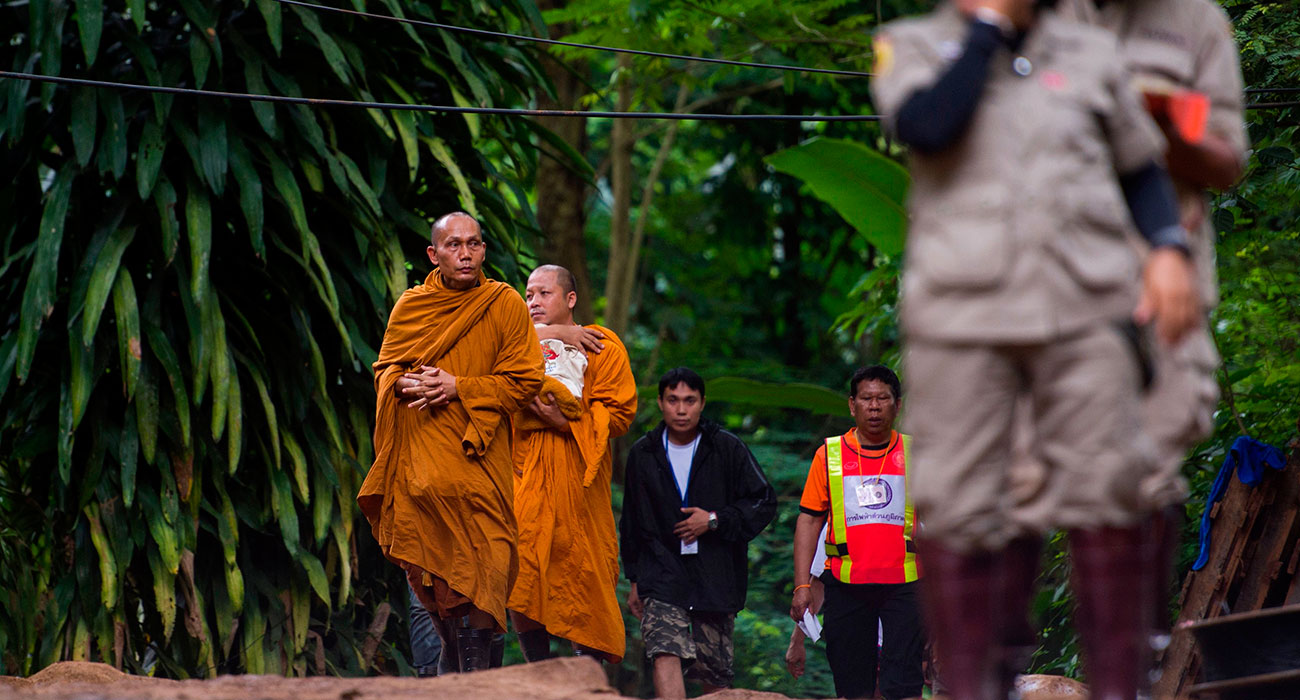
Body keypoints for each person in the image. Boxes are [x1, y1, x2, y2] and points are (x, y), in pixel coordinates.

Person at [870, 0, 1201, 698]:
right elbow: (927, 126)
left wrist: (1168, 250)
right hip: (963, 320)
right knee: (963, 504)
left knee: (1114, 488)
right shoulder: (910, 46)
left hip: (1084, 309)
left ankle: (1119, 683)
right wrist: (987, 31)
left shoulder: (1090, 54)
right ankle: (976, 684)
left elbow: (1141, 170)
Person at [1059, 0, 1249, 665]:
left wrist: (1164, 132)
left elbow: (1228, 161)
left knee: (1155, 455)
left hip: (1166, 279)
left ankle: (1137, 642)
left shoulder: (1196, 22)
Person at [358, 212, 543, 673]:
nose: (466, 254)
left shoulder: (503, 304)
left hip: (481, 474)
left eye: (475, 244)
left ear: (484, 250)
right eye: (454, 245)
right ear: (433, 253)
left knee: (492, 564)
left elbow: (526, 381)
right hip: (423, 479)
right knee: (440, 594)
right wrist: (408, 386)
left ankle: (474, 676)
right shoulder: (412, 305)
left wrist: (459, 386)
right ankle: (459, 673)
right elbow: (386, 371)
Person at [507, 264, 638, 663]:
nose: (533, 302)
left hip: (582, 480)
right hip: (526, 473)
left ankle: (586, 672)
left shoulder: (602, 346)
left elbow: (619, 414)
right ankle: (540, 670)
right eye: (528, 295)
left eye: (543, 294)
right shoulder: (517, 345)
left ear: (570, 299)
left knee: (586, 569)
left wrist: (568, 421)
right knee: (523, 565)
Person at [619, 368, 777, 699]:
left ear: (702, 403)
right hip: (660, 570)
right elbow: (632, 521)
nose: (681, 409)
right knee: (664, 650)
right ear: (660, 403)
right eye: (673, 400)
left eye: (689, 401)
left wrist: (715, 519)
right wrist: (635, 579)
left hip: (715, 571)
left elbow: (763, 502)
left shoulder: (726, 448)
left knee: (714, 670)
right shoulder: (643, 454)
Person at [789, 366, 924, 700]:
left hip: (906, 585)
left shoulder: (916, 454)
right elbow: (808, 521)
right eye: (866, 399)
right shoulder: (829, 455)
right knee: (852, 686)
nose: (874, 407)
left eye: (882, 399)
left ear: (898, 405)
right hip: (847, 584)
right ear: (852, 405)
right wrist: (802, 585)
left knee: (904, 684)